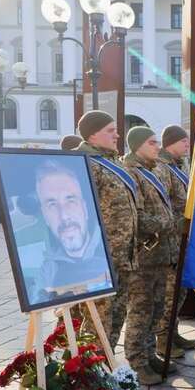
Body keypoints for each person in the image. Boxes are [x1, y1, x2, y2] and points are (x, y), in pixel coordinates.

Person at [75, 111, 140, 361]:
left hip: (122, 257)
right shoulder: (85, 164)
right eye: (110, 131)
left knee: (116, 318)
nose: (117, 135)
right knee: (97, 324)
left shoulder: (113, 162)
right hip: (99, 260)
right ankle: (89, 376)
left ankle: (106, 369)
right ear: (92, 134)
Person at [122, 126, 175, 384]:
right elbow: (136, 216)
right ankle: (136, 362)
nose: (157, 146)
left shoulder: (152, 171)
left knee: (155, 308)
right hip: (144, 256)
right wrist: (166, 222)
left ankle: (149, 353)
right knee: (140, 310)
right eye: (152, 142)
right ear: (138, 146)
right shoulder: (131, 174)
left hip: (160, 254)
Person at [33, 160, 110, 302]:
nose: (64, 215)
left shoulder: (111, 248)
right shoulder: (47, 272)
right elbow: (37, 303)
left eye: (70, 200)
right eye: (52, 204)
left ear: (85, 209)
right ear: (45, 217)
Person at [154, 125, 195, 359]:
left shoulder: (179, 165)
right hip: (170, 239)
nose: (187, 145)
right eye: (184, 142)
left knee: (180, 291)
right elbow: (162, 203)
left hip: (183, 237)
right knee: (170, 292)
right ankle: (164, 340)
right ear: (170, 143)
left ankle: (174, 332)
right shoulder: (162, 168)